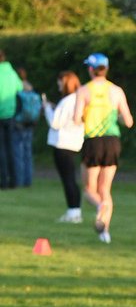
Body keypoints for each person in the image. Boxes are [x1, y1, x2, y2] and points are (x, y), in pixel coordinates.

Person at [73, 53, 134, 244]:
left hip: (93, 141)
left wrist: (85, 117)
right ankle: (104, 232)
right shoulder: (116, 91)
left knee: (89, 189)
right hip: (112, 142)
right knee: (105, 189)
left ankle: (100, 207)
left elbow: (76, 119)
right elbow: (129, 121)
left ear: (91, 70)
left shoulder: (84, 91)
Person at [44, 71, 85, 223]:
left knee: (67, 179)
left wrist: (47, 109)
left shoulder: (67, 100)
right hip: (74, 143)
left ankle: (73, 212)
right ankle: (75, 211)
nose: (58, 85)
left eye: (60, 82)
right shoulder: (79, 99)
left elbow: (55, 123)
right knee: (71, 178)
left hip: (62, 144)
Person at [12, 68, 44, 188]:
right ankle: (28, 180)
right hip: (30, 123)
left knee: (17, 152)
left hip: (18, 123)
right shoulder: (30, 88)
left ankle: (19, 180)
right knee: (28, 152)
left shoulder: (17, 88)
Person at [0, 49, 22, 190]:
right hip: (11, 114)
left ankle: (3, 181)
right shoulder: (12, 73)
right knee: (11, 149)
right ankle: (14, 180)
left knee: (1, 150)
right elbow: (19, 88)